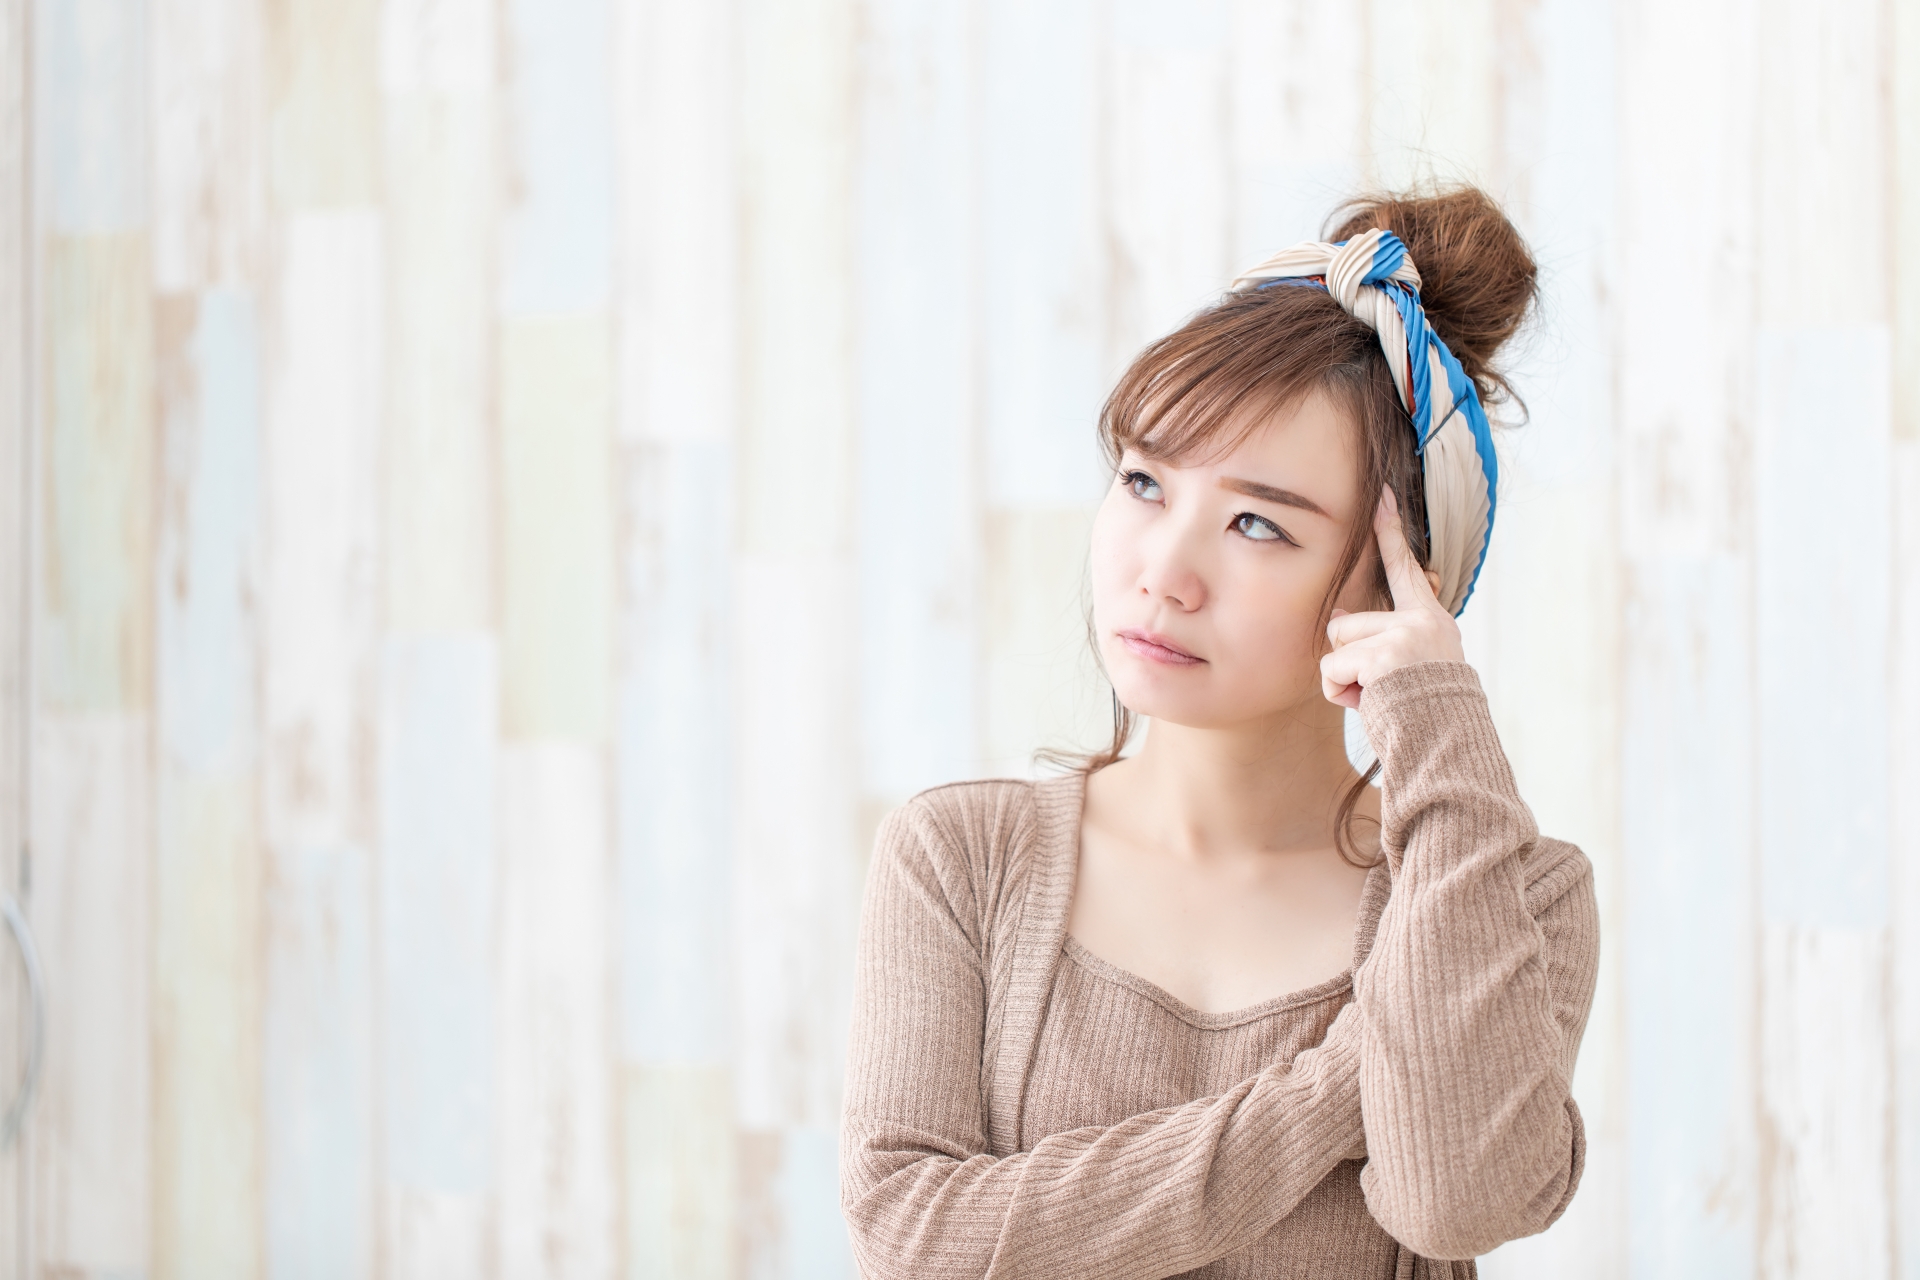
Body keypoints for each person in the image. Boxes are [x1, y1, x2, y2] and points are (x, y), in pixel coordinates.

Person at [838, 187, 1601, 1279]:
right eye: (1144, 482)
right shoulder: (963, 858)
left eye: (1256, 522)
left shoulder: (1511, 898)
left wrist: (1436, 714)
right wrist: (1341, 1084)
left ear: (1400, 587)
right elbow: (917, 1241)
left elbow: (1452, 1203)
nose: (1164, 570)